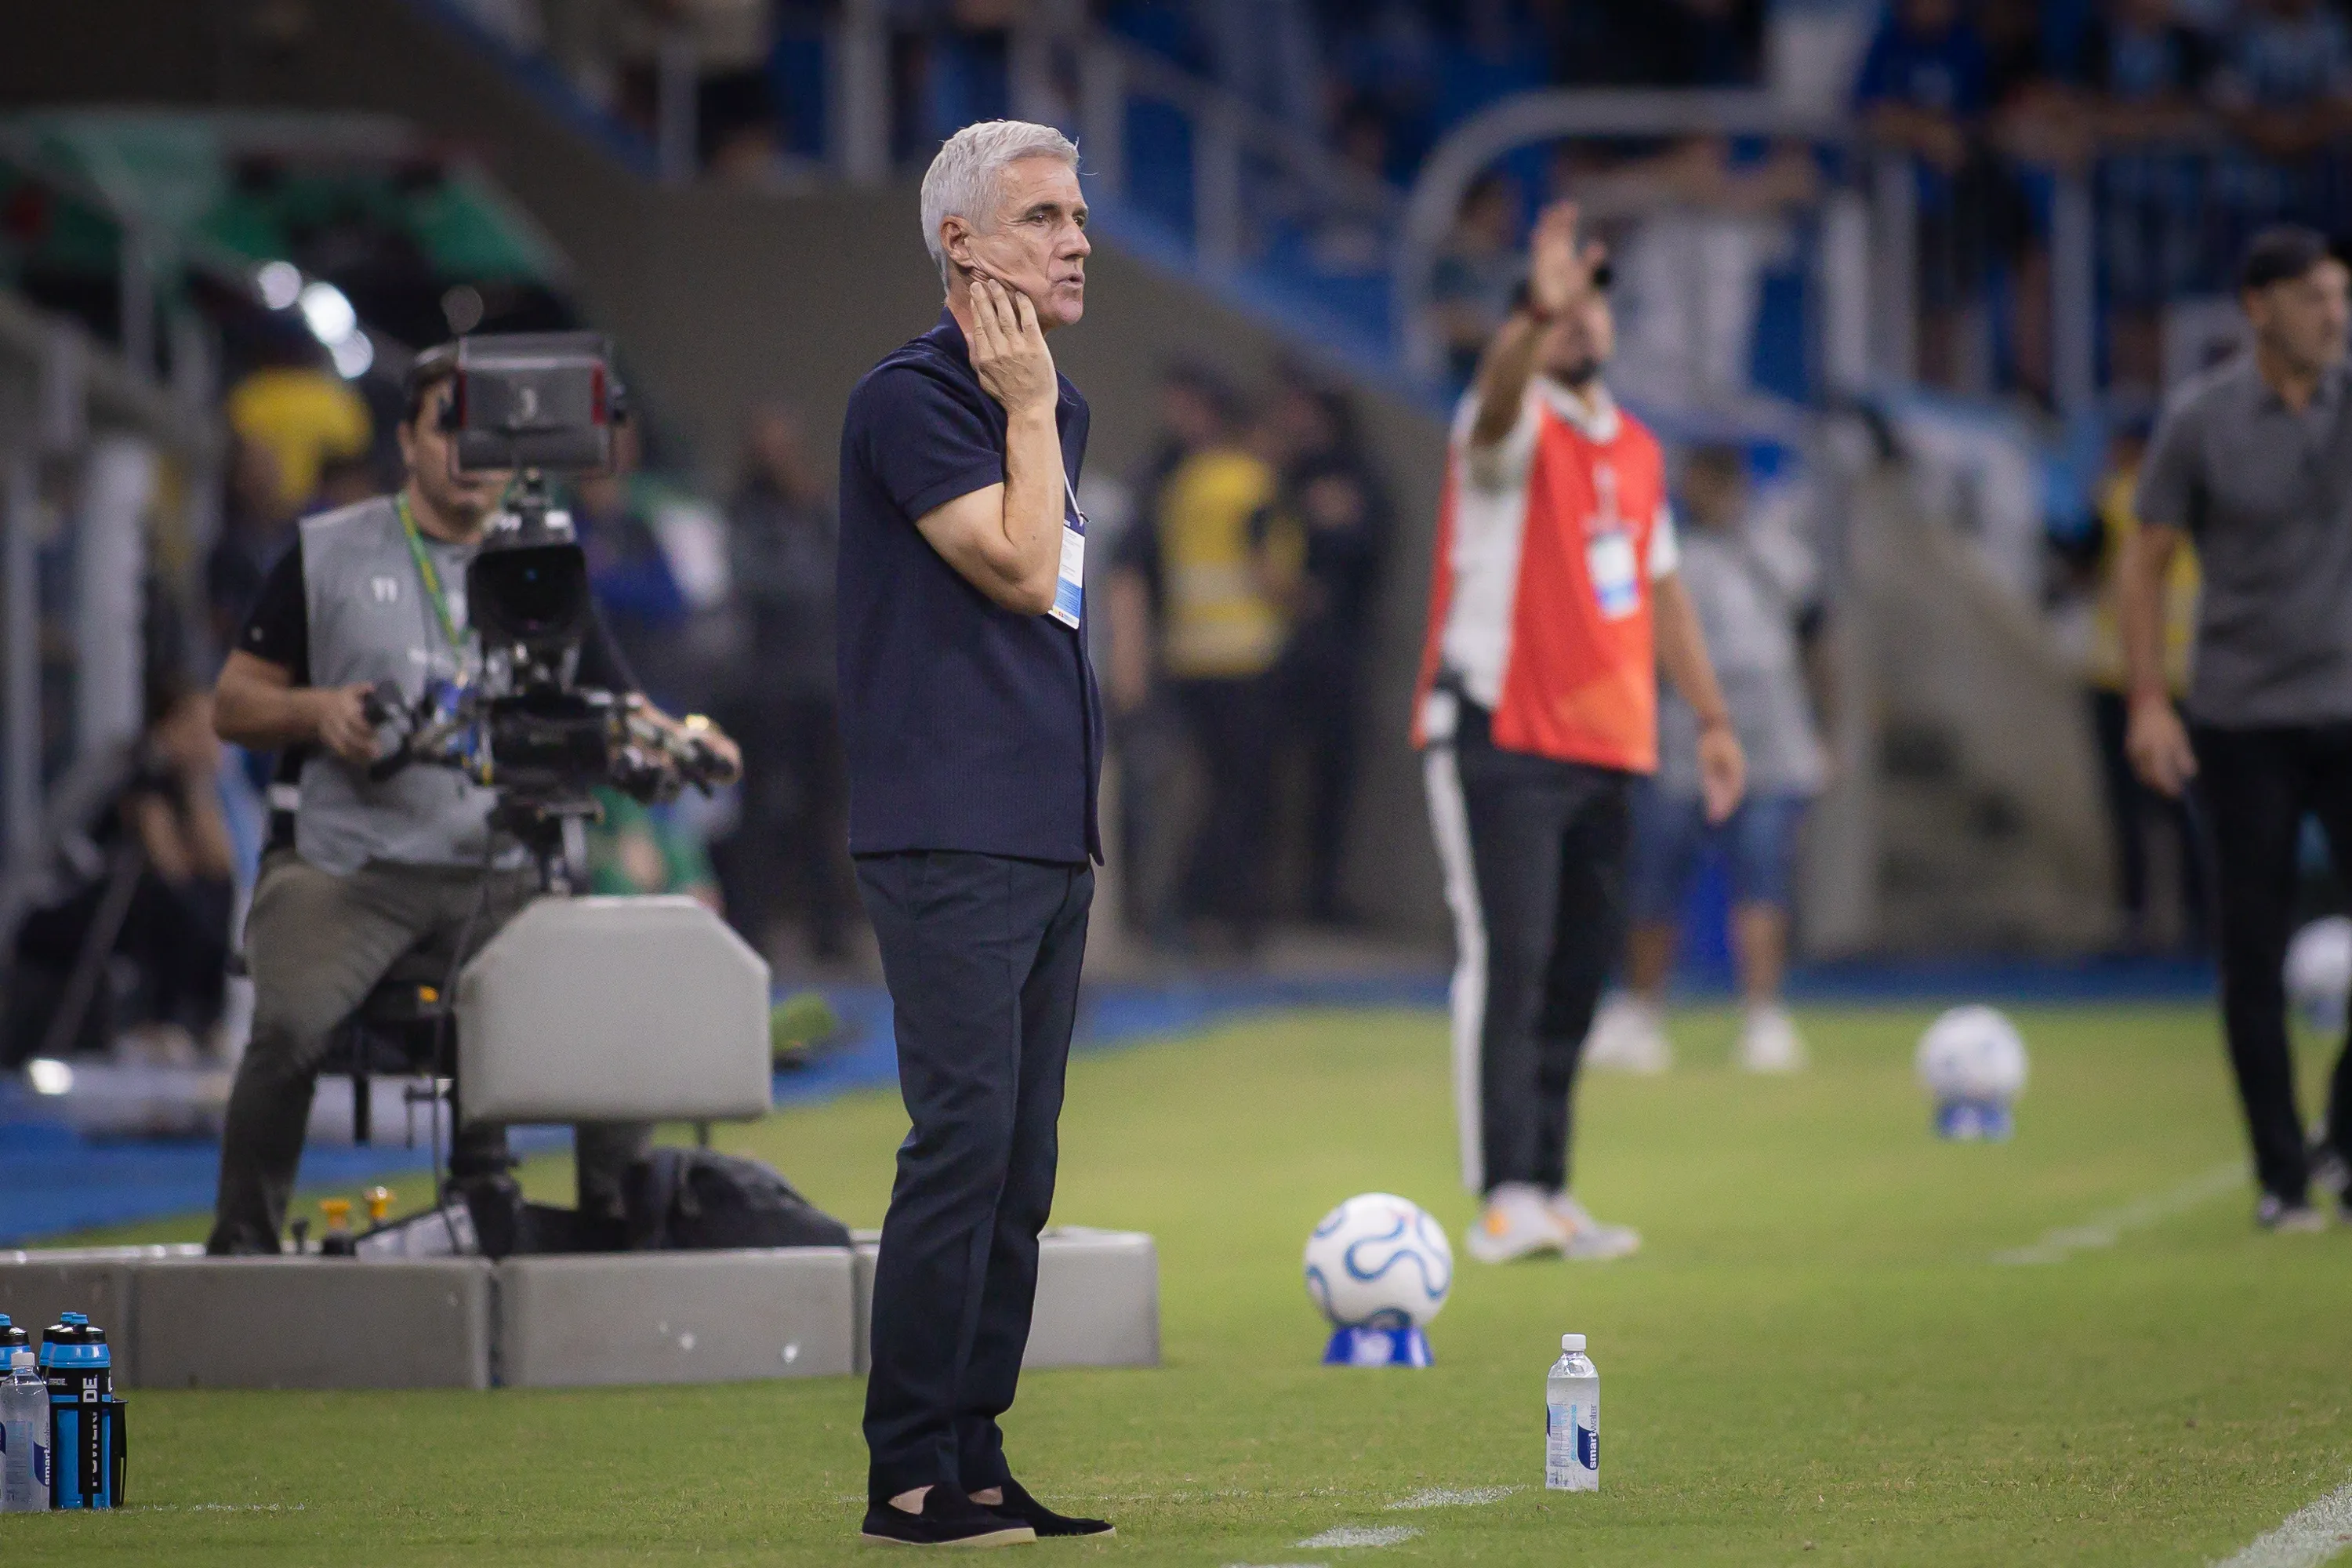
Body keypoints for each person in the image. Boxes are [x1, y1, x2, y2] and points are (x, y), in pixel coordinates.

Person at [202, 344, 739, 1256]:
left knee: (606, 1011)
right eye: (450, 424)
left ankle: (619, 1238)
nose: (470, 448)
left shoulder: (546, 558)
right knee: (289, 1027)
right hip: (347, 867)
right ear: (407, 441)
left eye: (488, 428)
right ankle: (244, 1246)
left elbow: (616, 696)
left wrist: (690, 739)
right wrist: (318, 709)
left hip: (502, 869)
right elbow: (232, 703)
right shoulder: (326, 549)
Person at [834, 119, 1112, 1548]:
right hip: (947, 829)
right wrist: (1019, 403)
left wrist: (1035, 404)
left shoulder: (1049, 402)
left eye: (1077, 215)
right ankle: (907, 1476)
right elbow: (1016, 572)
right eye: (1045, 217)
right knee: (963, 1142)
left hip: (1042, 829)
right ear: (965, 244)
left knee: (1023, 1163)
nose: (1077, 240)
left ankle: (979, 1458)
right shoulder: (915, 399)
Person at [1414, 201, 1745, 1266]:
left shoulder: (1638, 449)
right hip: (1500, 729)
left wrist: (1714, 717)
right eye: (1558, 313)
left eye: (1590, 308)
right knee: (1507, 957)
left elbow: (1664, 594)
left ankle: (1551, 1185)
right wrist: (1528, 315)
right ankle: (1502, 1191)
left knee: (1574, 971)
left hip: (1611, 741)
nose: (1579, 325)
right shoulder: (1500, 423)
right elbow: (1502, 391)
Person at [2124, 227, 2352, 1232]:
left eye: (2342, 297)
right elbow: (2144, 561)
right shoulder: (2201, 420)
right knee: (2251, 954)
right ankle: (2282, 1178)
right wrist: (2146, 699)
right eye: (2313, 299)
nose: (2335, 316)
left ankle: (2344, 1137)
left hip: (2349, 707)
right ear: (2258, 307)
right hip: (2242, 716)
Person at [1588, 445, 1830, 1075]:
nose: (1707, 494)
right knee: (1654, 876)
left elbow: (1815, 637)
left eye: (1718, 481)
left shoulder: (1778, 552)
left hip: (1770, 737)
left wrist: (1824, 729)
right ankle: (1642, 1012)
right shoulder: (1659, 552)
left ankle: (1764, 1017)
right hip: (1679, 733)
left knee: (1763, 875)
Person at [1114, 373, 1297, 953]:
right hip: (1247, 658)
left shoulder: (1183, 485)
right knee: (1244, 799)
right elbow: (1273, 575)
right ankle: (1234, 918)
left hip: (1187, 657)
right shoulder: (1255, 486)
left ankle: (1181, 912)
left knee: (1197, 794)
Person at [2, 678, 237, 1067]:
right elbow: (169, 868)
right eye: (199, 727)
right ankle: (158, 1020)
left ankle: (207, 1018)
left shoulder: (187, 779)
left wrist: (200, 784)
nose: (209, 741)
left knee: (214, 895)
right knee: (163, 898)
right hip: (59, 903)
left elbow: (220, 869)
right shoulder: (134, 770)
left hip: (115, 903)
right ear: (169, 725)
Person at [713, 402, 850, 964]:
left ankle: (829, 931)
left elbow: (839, 579)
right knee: (761, 813)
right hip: (765, 688)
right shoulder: (743, 515)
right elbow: (759, 583)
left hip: (819, 685)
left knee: (825, 814)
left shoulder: (818, 511)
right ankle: (752, 927)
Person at [2081, 421, 2208, 953]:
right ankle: (2201, 915)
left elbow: (2084, 561)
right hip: (2189, 677)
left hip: (2128, 680)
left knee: (2134, 809)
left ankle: (2138, 915)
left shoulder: (2118, 497)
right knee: (2188, 806)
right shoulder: (2203, 495)